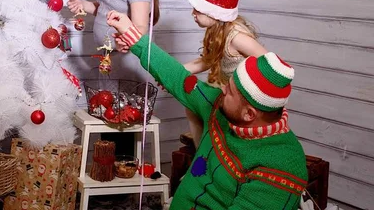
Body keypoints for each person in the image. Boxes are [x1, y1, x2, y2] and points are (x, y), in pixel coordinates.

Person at [107, 11, 308, 210]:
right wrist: (132, 35)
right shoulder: (219, 106)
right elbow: (179, 77)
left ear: (249, 114)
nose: (221, 92)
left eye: (229, 92)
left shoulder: (283, 166)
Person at [66, 0, 159, 156]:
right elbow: (106, 7)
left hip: (127, 66)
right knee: (108, 124)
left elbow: (139, 28)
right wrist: (85, 6)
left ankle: (120, 188)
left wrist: (123, 42)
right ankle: (105, 179)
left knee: (122, 128)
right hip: (110, 62)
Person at [180, 0, 267, 149]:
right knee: (192, 105)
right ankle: (201, 154)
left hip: (242, 98)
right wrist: (176, 71)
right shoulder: (217, 31)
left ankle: (210, 154)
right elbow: (207, 60)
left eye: (197, 9)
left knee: (200, 103)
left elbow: (270, 62)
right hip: (225, 90)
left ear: (213, 11)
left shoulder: (237, 37)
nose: (192, 13)